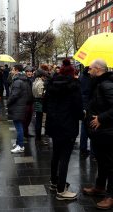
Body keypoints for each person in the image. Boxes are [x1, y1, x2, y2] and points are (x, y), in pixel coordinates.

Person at [83, 59, 113, 210]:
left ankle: (111, 196)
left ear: (98, 69)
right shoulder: (99, 83)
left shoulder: (107, 84)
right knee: (101, 161)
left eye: (90, 68)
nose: (88, 71)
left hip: (107, 131)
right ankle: (100, 187)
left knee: (109, 164)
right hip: (98, 132)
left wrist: (101, 118)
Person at [44, 59, 83, 201]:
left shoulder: (51, 83)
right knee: (65, 157)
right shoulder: (74, 85)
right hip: (68, 125)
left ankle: (54, 182)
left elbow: (45, 105)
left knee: (56, 153)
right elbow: (78, 108)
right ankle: (61, 190)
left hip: (54, 124)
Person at [8, 64, 30, 153]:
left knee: (19, 127)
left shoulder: (17, 81)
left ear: (16, 70)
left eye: (13, 69)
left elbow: (14, 95)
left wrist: (8, 102)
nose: (11, 71)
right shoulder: (23, 79)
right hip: (21, 105)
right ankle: (18, 143)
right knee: (19, 126)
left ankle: (20, 146)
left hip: (18, 106)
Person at [79, 66, 94, 159]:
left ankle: (83, 149)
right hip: (91, 106)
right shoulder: (90, 77)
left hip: (84, 105)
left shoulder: (82, 76)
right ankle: (93, 152)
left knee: (84, 128)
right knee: (92, 128)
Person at [32, 69, 47, 143]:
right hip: (40, 102)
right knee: (39, 120)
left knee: (38, 119)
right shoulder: (41, 83)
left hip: (36, 101)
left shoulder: (34, 82)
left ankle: (37, 136)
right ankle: (38, 137)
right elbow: (41, 94)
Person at [23, 66, 34, 137]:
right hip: (25, 102)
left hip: (31, 101)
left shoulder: (33, 80)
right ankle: (25, 132)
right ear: (26, 73)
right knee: (25, 118)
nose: (29, 73)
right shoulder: (24, 80)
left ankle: (26, 132)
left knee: (29, 117)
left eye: (30, 72)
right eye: (28, 72)